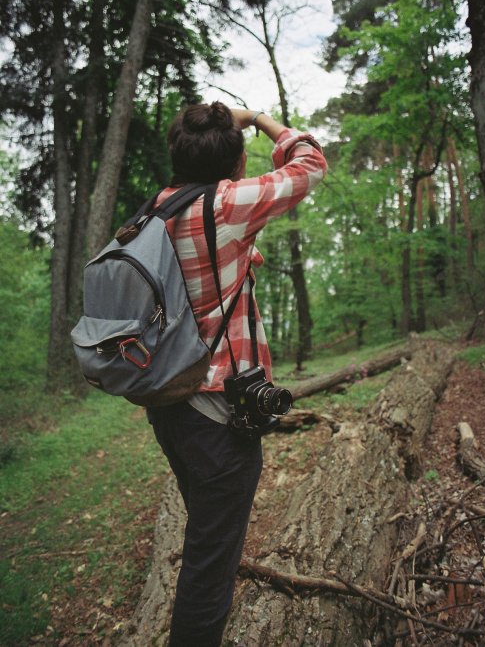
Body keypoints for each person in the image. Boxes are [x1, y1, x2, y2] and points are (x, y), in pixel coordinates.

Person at [147, 102, 327, 646]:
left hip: (169, 405)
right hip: (215, 415)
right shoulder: (226, 205)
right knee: (212, 560)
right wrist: (265, 120)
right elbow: (309, 162)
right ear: (235, 164)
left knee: (206, 531)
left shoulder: (158, 208)